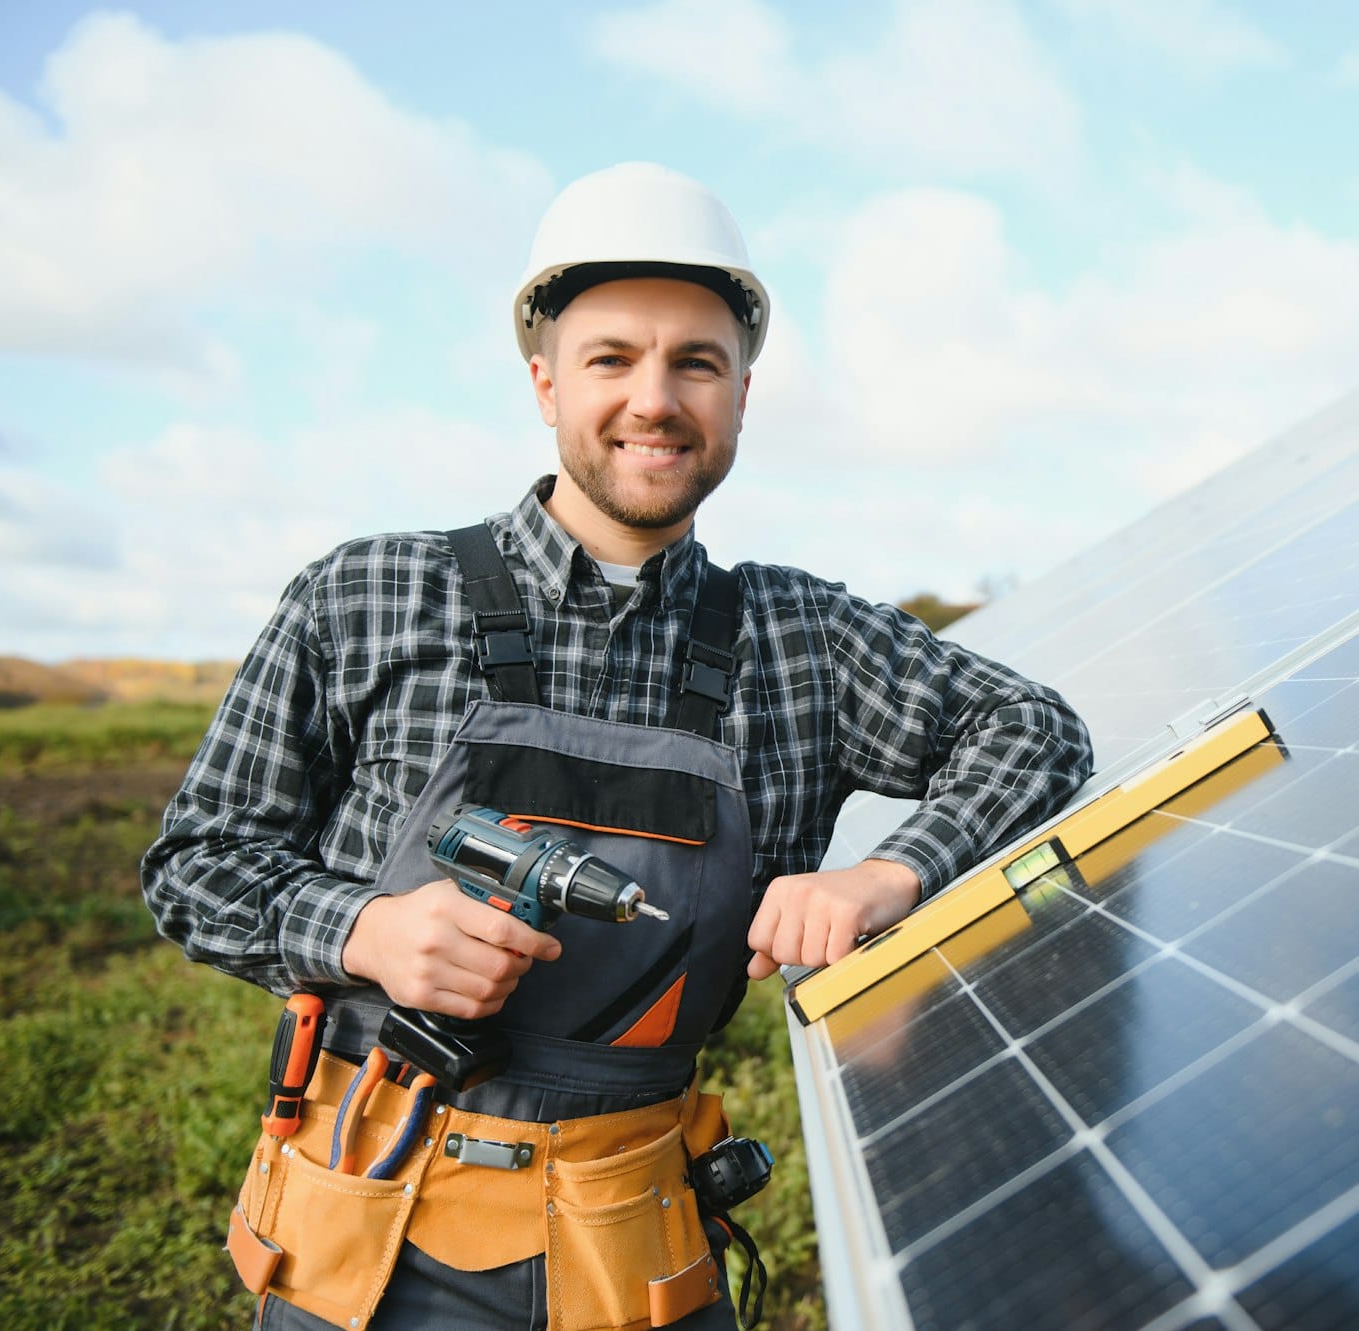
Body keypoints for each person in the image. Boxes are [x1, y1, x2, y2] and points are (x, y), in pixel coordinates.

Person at [140, 162, 1091, 1330]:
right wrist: (366, 929)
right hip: (372, 1217)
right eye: (611, 359)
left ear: (742, 391)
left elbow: (1035, 730)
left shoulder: (803, 638)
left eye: (696, 361)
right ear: (543, 382)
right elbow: (195, 862)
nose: (655, 398)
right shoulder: (370, 593)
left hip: (631, 1242)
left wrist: (885, 872)